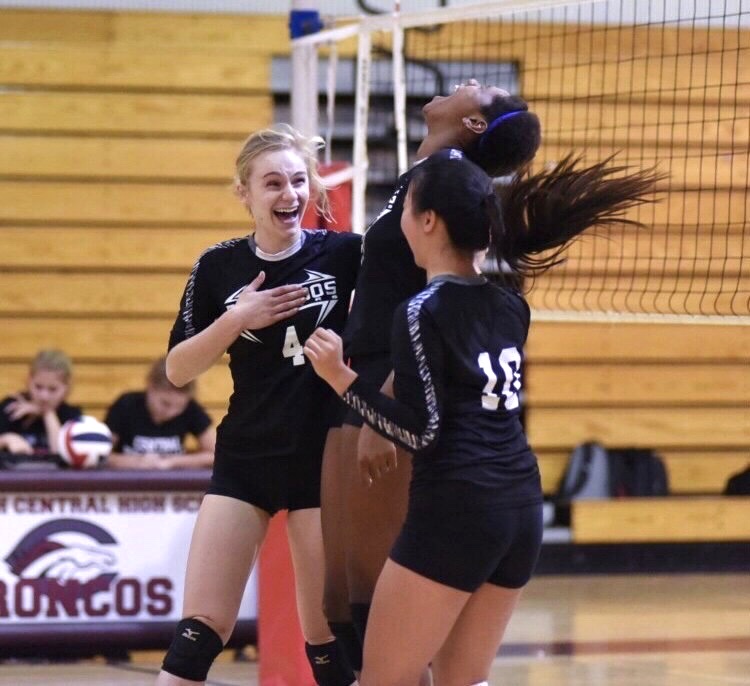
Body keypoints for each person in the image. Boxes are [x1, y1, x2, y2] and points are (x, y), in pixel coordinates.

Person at [305, 150, 659, 686]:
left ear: (427, 222)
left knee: (382, 678)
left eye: (404, 206)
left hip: (457, 508)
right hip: (520, 507)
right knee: (463, 680)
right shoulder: (510, 304)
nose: (397, 215)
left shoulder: (422, 311)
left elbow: (420, 430)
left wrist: (341, 379)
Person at [320, 78, 543, 674]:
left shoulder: (443, 181)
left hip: (391, 382)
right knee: (339, 599)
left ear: (474, 123)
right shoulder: (426, 176)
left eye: (482, 87)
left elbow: (431, 314)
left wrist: (382, 413)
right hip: (368, 370)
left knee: (372, 600)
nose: (468, 82)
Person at [154, 123, 361, 686]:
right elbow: (177, 369)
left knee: (326, 640)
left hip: (322, 461)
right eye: (272, 183)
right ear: (244, 193)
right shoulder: (218, 265)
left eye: (298, 181)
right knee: (198, 631)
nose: (288, 195)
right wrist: (237, 318)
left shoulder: (348, 256)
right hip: (246, 458)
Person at [104, 357, 216, 470]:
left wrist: (173, 462)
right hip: (128, 482)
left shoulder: (191, 409)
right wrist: (136, 462)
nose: (172, 412)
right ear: (150, 387)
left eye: (180, 407)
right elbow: (102, 455)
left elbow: (216, 454)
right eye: (165, 404)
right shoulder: (126, 405)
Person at [0, 349, 81, 460]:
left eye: (53, 389)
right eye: (38, 387)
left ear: (67, 388)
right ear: (29, 381)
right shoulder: (11, 407)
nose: (44, 397)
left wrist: (47, 414)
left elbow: (62, 455)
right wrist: (6, 439)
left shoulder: (71, 416)